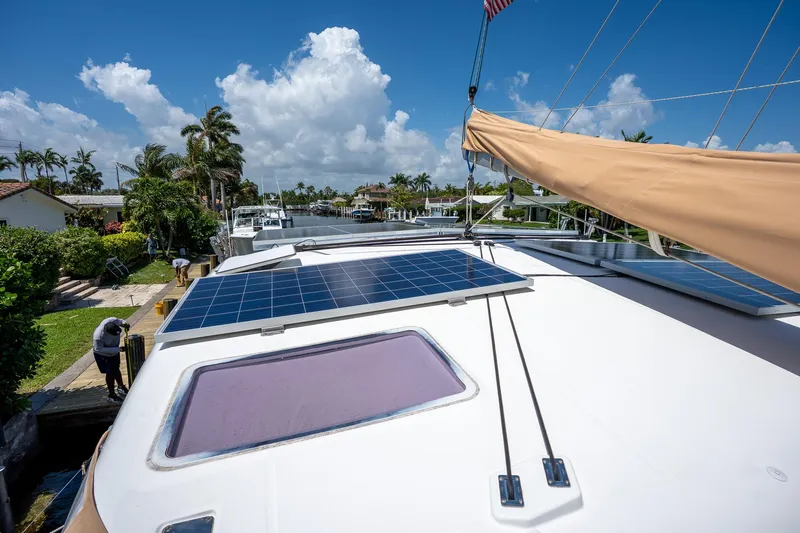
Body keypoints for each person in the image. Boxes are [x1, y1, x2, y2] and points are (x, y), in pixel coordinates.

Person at [92, 317, 130, 403]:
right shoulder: (98, 336)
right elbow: (98, 349)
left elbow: (121, 321)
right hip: (102, 354)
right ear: (107, 333)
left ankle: (121, 387)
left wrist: (125, 323)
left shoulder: (112, 321)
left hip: (114, 350)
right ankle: (111, 395)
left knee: (116, 368)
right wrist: (118, 349)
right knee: (110, 372)